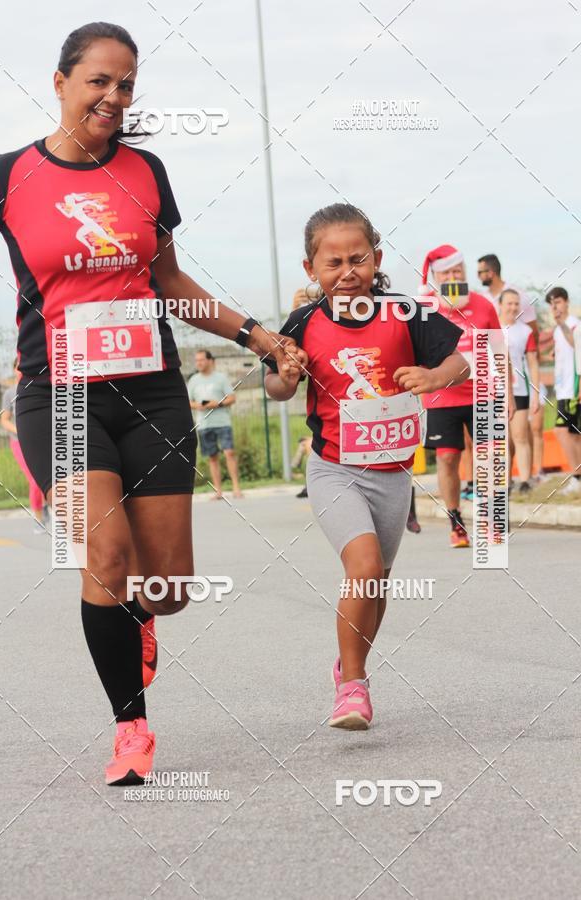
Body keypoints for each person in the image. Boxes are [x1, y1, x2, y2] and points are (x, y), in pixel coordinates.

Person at [0, 22, 298, 786]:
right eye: (98, 81)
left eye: (126, 84)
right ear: (60, 83)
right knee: (109, 557)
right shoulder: (7, 176)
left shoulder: (145, 172)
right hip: (57, 393)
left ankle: (139, 620)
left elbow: (171, 285)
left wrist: (258, 336)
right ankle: (131, 730)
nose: (113, 97)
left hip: (152, 390)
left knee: (166, 589)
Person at [265, 204, 468, 729]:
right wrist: (288, 375)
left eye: (358, 258)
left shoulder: (404, 313)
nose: (347, 271)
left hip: (393, 473)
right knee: (363, 567)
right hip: (334, 468)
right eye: (332, 262)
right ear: (311, 269)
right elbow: (276, 385)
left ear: (376, 258)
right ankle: (353, 687)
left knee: (376, 584)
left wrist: (435, 375)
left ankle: (347, 664)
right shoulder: (304, 322)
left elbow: (463, 355)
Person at [420, 244, 511, 548]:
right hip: (441, 397)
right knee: (447, 458)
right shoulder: (424, 307)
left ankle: (491, 522)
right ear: (435, 276)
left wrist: (508, 393)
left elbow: (500, 350)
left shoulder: (483, 305)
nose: (453, 275)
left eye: (458, 270)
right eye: (446, 271)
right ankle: (456, 523)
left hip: (482, 393)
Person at [498, 289, 539, 492]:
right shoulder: (491, 328)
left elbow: (533, 363)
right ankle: (505, 482)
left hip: (519, 390)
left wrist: (536, 393)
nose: (513, 307)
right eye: (509, 303)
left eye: (516, 304)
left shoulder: (525, 331)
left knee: (520, 435)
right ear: (500, 305)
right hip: (494, 391)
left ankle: (524, 480)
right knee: (502, 439)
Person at [187, 350, 243, 499]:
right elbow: (188, 402)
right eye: (196, 360)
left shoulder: (221, 378)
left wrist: (217, 404)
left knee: (229, 453)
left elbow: (232, 398)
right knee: (212, 457)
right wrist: (197, 405)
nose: (198, 363)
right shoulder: (193, 380)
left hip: (222, 422)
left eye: (201, 360)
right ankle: (218, 491)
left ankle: (236, 488)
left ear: (210, 361)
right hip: (204, 424)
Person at [0, 362, 47, 533]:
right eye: (17, 367)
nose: (21, 370)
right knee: (34, 480)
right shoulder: (9, 393)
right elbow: (4, 420)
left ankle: (45, 505)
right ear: (13, 370)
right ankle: (39, 518)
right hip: (18, 442)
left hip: (39, 440)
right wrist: (20, 431)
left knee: (48, 478)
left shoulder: (38, 387)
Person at [545, 287, 581, 491]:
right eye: (551, 303)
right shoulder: (558, 329)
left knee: (561, 431)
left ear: (566, 301)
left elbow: (577, 345)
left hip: (572, 388)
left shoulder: (574, 324)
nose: (554, 307)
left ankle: (576, 476)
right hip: (563, 389)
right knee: (574, 434)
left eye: (557, 302)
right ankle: (578, 477)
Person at [477, 253, 539, 340]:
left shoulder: (519, 295)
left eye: (480, 272)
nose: (478, 276)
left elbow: (534, 332)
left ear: (490, 273)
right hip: (492, 351)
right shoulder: (481, 299)